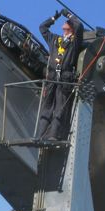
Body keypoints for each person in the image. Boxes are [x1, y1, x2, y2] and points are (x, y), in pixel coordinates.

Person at [35, 8, 84, 142]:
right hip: (51, 77)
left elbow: (79, 26)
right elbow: (42, 28)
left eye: (67, 22)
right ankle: (40, 135)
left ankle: (53, 135)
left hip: (64, 79)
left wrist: (69, 14)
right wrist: (54, 18)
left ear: (71, 28)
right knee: (47, 107)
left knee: (59, 108)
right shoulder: (55, 40)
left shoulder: (74, 43)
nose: (65, 23)